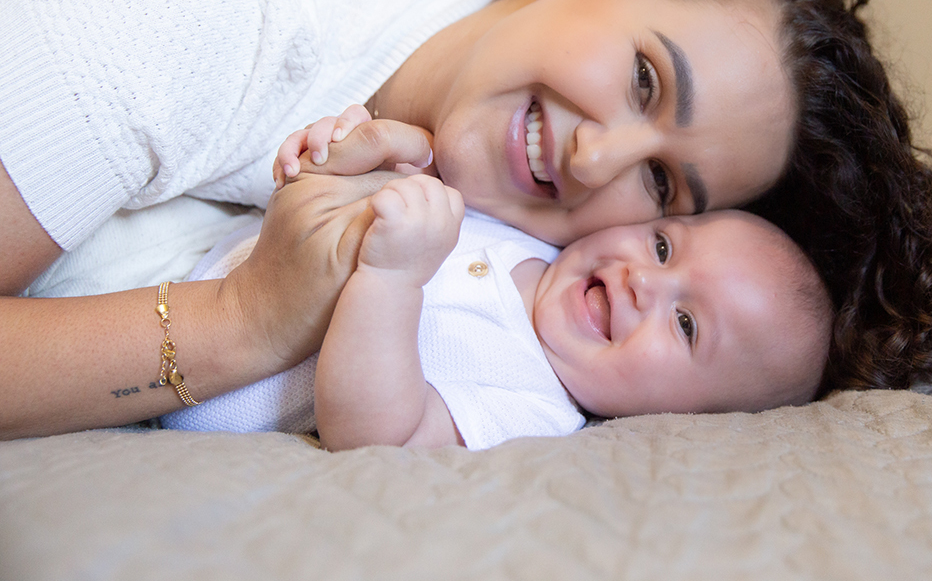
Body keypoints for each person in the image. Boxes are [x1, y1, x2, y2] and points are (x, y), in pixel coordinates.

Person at [0, 0, 932, 439]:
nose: (598, 156)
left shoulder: (525, 251)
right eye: (644, 78)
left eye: (665, 185)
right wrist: (243, 319)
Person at [161, 171, 832, 451]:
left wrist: (391, 280)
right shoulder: (532, 232)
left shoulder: (536, 409)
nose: (642, 283)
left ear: (686, 420)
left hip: (183, 371)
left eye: (687, 325)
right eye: (663, 245)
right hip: (186, 241)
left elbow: (377, 436)